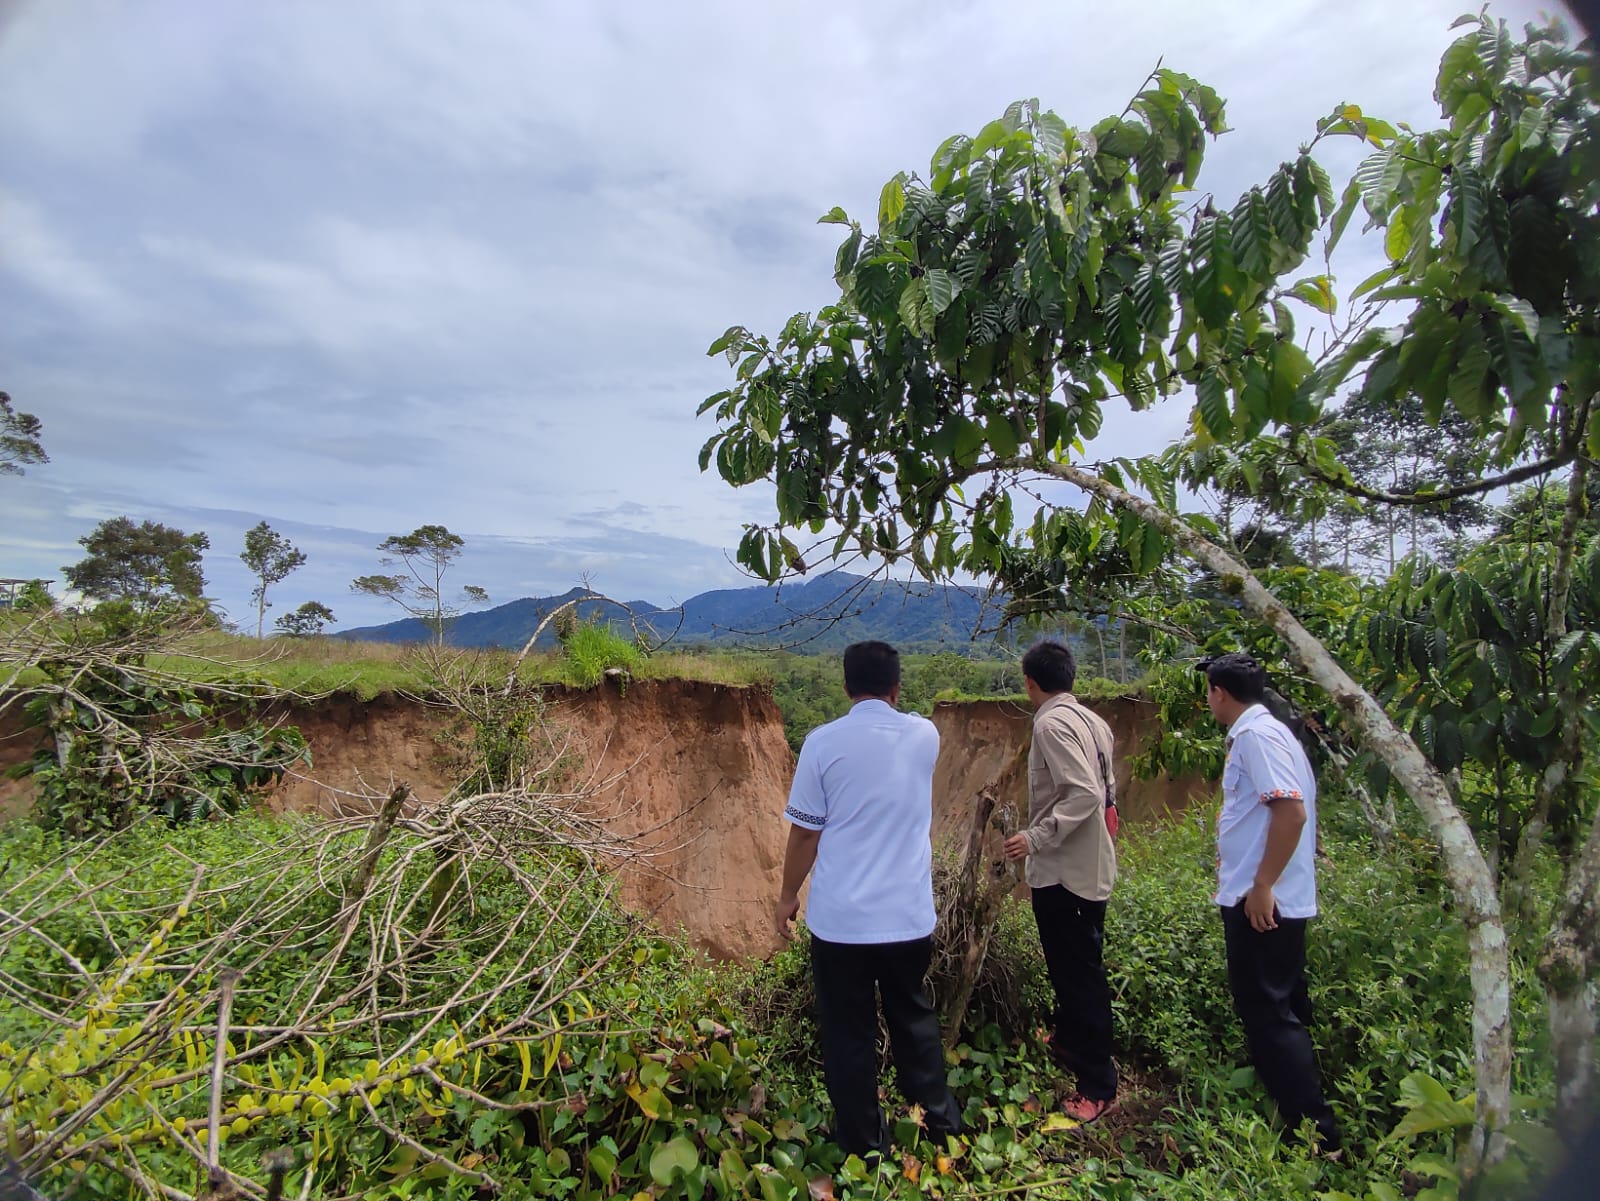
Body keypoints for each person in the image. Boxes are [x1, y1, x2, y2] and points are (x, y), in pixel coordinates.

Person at [775, 640, 963, 1156]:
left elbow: (805, 836)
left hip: (841, 926)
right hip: (908, 919)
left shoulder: (820, 743)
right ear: (897, 688)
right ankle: (942, 1130)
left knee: (848, 1036)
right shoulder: (925, 735)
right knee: (914, 1020)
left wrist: (787, 896)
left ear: (844, 687)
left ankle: (863, 1146)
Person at [1199, 652, 1341, 1151]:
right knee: (1282, 1009)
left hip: (1263, 905)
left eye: (1210, 692)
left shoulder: (1256, 737)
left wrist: (1261, 886)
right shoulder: (1273, 731)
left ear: (1219, 692)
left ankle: (1317, 1137)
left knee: (1270, 1016)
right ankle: (1295, 1112)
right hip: (1271, 899)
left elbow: (1291, 812)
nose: (1209, 700)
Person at [1003, 639, 1120, 1123]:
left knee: (1080, 977)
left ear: (1031, 682)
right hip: (1089, 867)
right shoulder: (1094, 721)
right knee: (1073, 964)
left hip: (1065, 872)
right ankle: (1068, 1040)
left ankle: (1098, 1086)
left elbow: (1086, 793)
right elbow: (1108, 793)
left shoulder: (1050, 724)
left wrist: (1035, 836)